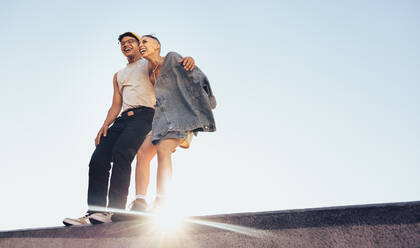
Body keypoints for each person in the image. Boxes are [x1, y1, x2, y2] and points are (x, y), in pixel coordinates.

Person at [63, 32, 195, 226]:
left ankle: (115, 211)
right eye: (122, 43)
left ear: (140, 45)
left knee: (122, 153)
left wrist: (189, 60)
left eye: (131, 41)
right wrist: (104, 125)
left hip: (146, 115)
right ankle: (94, 213)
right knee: (98, 159)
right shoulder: (118, 75)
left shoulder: (149, 62)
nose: (126, 45)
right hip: (123, 118)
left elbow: (172, 63)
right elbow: (116, 104)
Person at [124, 35, 216, 215]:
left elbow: (197, 76)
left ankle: (162, 201)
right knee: (143, 153)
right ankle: (140, 202)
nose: (141, 45)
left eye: (145, 42)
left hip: (180, 116)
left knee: (163, 150)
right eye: (140, 42)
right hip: (162, 117)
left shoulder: (172, 57)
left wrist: (208, 98)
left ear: (157, 45)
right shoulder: (150, 71)